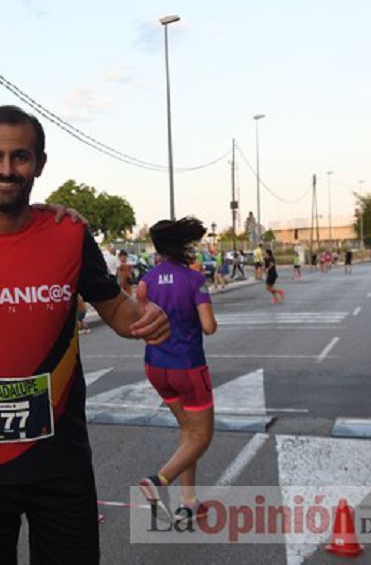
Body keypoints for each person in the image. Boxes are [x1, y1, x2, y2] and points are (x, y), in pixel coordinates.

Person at [0, 105, 170, 565]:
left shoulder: (68, 233)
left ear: (39, 163)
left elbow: (115, 306)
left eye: (20, 157)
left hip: (60, 463)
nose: (6, 169)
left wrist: (144, 318)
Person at [135, 218, 218, 526]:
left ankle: (188, 501)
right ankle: (159, 480)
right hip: (188, 366)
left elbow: (139, 319)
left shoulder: (147, 280)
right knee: (202, 436)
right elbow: (209, 326)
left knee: (187, 431)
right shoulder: (194, 279)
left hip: (156, 366)